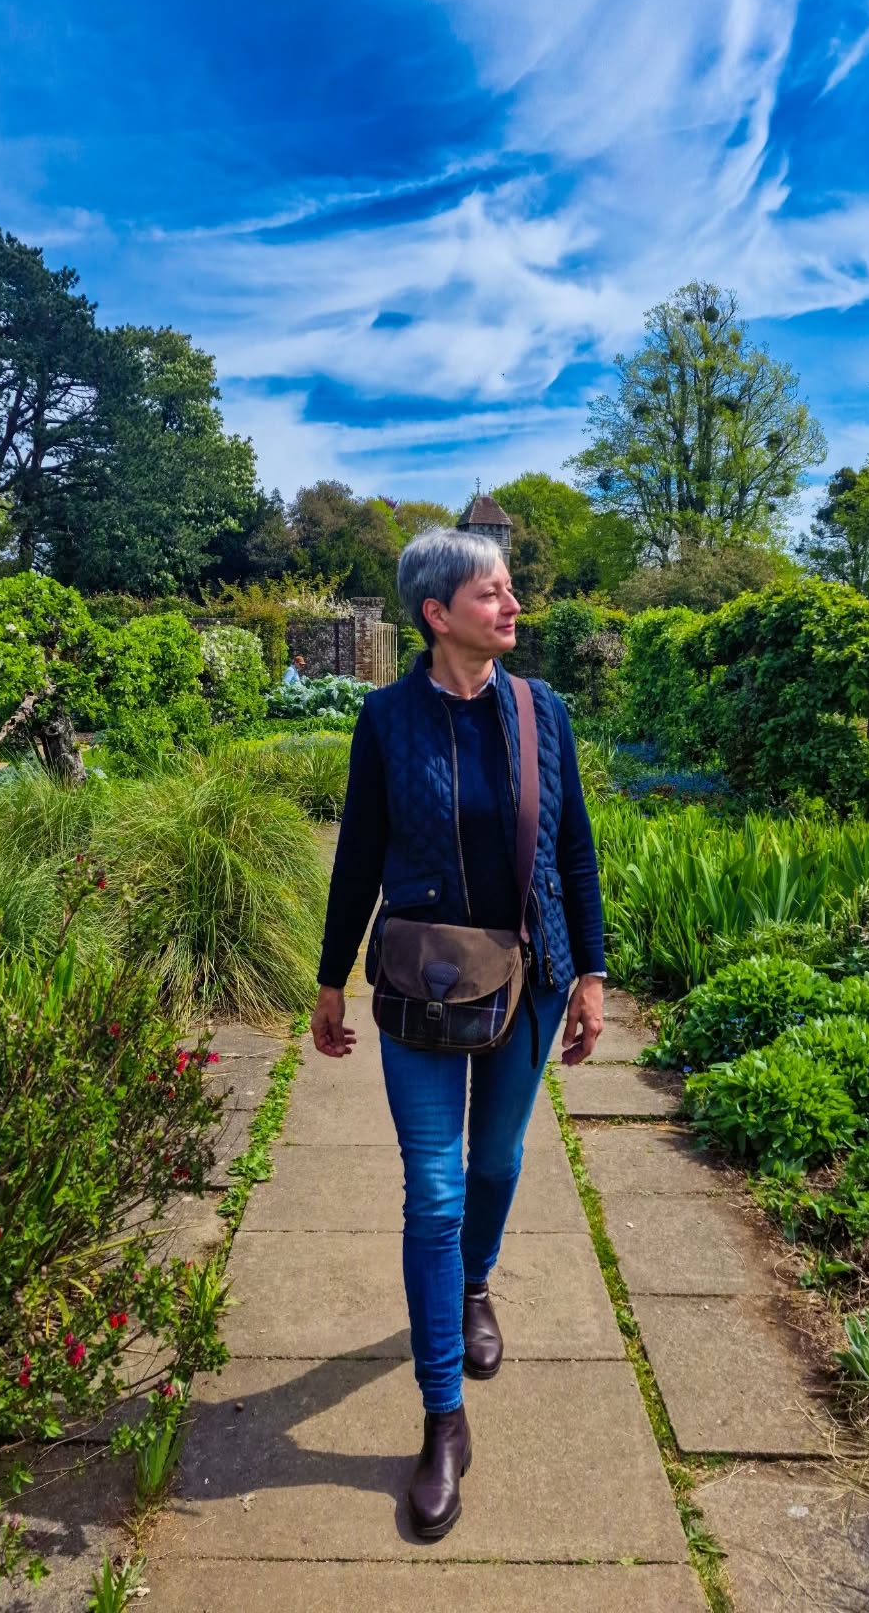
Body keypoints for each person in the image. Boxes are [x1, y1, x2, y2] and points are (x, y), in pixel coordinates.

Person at [313, 527, 606, 1541]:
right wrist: (327, 981)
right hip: (425, 986)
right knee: (432, 1190)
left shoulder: (543, 713)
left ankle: (476, 1284)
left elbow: (575, 852)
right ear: (437, 614)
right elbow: (358, 856)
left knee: (497, 1166)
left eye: (510, 590)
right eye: (494, 594)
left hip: (528, 981)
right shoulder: (386, 718)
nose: (514, 608)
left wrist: (592, 975)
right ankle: (444, 1421)